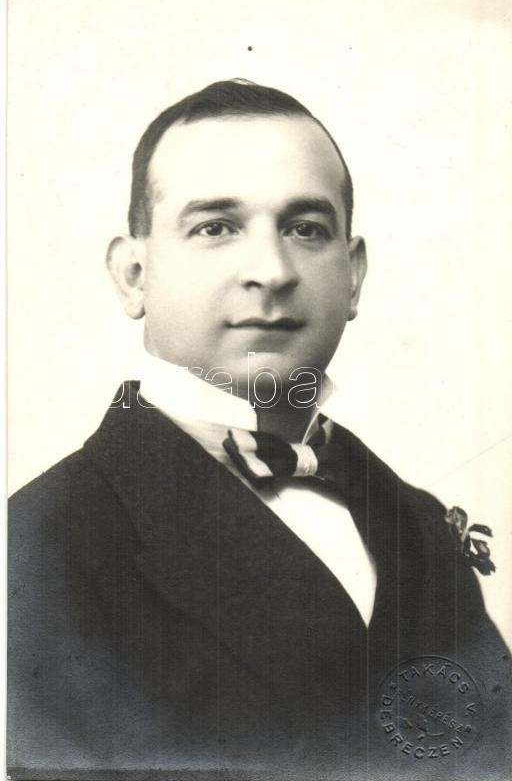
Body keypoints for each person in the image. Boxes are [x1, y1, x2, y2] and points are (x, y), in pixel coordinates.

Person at [8, 80, 511, 781]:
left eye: (306, 228)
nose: (271, 273)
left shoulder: (415, 519)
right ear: (133, 275)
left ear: (353, 276)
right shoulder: (34, 546)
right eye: (216, 227)